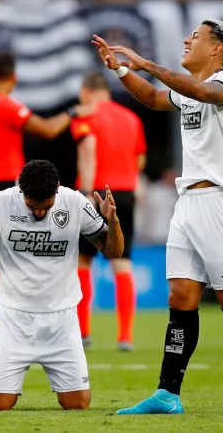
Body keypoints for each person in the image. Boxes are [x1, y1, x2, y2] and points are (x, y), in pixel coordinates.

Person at [92, 20, 223, 415]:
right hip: (188, 202)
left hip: (222, 201)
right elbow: (153, 99)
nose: (186, 41)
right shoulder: (188, 91)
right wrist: (120, 70)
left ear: (216, 49)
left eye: (196, 38)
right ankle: (168, 395)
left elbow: (200, 91)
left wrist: (145, 62)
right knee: (181, 296)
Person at [0, 159, 124, 411]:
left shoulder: (75, 202)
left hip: (62, 320)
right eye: (33, 207)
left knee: (77, 404)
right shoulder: (1, 202)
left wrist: (114, 223)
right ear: (21, 192)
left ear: (57, 190)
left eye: (46, 207)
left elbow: (114, 250)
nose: (40, 213)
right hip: (12, 320)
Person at [0, 51, 93, 353]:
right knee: (3, 267)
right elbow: (48, 130)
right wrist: (74, 112)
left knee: (0, 266)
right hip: (9, 190)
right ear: (13, 78)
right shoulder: (6, 105)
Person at [71, 72, 145, 352]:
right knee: (122, 262)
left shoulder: (86, 115)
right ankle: (125, 336)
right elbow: (140, 159)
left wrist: (88, 192)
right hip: (125, 193)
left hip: (96, 192)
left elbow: (88, 149)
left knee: (82, 262)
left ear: (87, 91)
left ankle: (83, 333)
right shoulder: (131, 119)